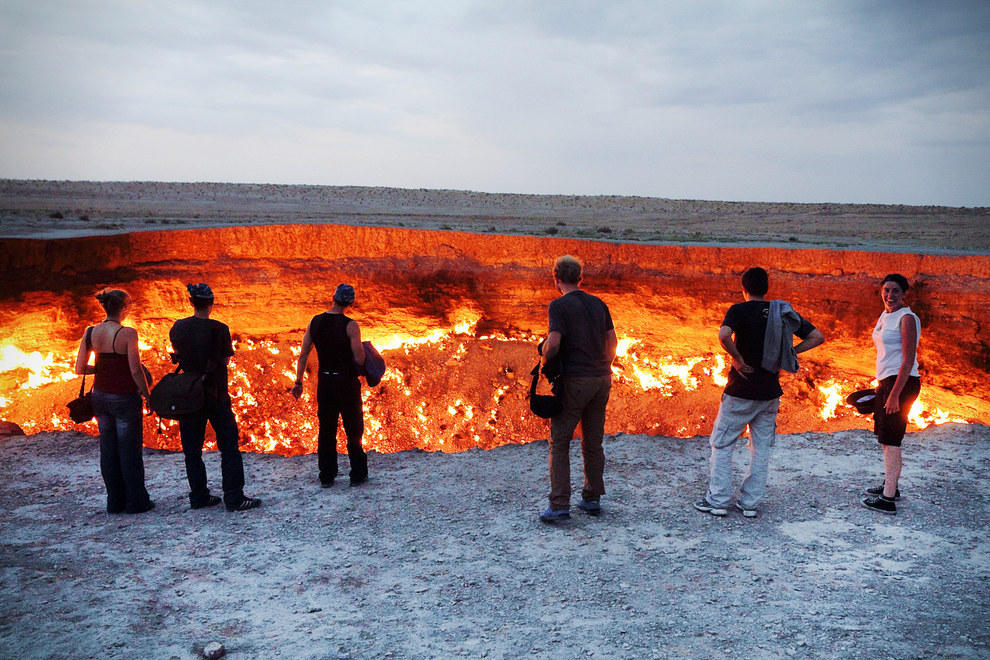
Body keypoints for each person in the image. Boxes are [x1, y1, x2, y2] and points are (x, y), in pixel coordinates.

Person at [694, 267, 825, 518]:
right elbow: (817, 336)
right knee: (761, 448)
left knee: (722, 444)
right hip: (769, 393)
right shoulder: (780, 311)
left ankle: (719, 500)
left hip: (741, 391)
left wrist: (737, 357)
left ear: (743, 289)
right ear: (766, 288)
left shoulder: (739, 310)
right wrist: (790, 353)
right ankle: (750, 504)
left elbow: (723, 335)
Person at [538, 256, 617, 522]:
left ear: (556, 277)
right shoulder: (598, 304)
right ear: (580, 277)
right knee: (592, 442)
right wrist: (605, 365)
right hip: (602, 379)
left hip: (576, 380)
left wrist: (543, 359)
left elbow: (554, 343)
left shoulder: (558, 306)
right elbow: (612, 341)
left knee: (560, 441)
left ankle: (559, 504)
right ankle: (592, 499)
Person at [169, 283, 261, 512]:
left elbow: (178, 354)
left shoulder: (178, 328)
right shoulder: (219, 329)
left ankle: (199, 496)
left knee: (192, 450)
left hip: (189, 396)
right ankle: (234, 498)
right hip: (216, 395)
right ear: (211, 303)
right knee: (229, 447)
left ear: (191, 302)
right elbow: (224, 360)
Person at [74, 288, 154, 514]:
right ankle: (136, 502)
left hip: (99, 397)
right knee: (129, 451)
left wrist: (100, 369)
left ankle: (114, 502)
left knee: (108, 450)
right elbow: (136, 370)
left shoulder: (90, 332)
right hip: (124, 399)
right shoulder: (128, 334)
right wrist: (148, 396)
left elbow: (79, 368)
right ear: (124, 308)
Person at [291, 283, 368, 488]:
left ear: (332, 298)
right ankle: (357, 474)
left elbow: (303, 355)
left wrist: (298, 381)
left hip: (324, 382)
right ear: (350, 302)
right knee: (353, 429)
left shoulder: (315, 322)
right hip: (346, 383)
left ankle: (326, 475)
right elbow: (360, 359)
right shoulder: (350, 325)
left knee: (326, 429)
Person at [861, 273, 921, 515]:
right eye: (887, 290)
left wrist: (894, 395)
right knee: (885, 438)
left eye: (896, 291)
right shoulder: (886, 315)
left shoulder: (907, 318)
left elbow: (908, 361)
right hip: (888, 382)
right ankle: (890, 486)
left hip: (902, 383)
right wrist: (881, 387)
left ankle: (887, 500)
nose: (890, 295)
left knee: (892, 440)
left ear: (904, 294)